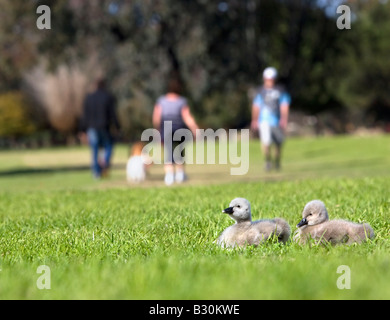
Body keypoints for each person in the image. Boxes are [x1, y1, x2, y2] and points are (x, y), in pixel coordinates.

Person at [152, 77, 199, 186]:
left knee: (169, 151)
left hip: (166, 128)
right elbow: (187, 116)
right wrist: (195, 128)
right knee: (180, 151)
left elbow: (156, 116)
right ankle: (180, 174)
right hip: (179, 128)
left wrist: (156, 129)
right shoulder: (182, 101)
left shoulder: (161, 101)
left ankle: (169, 175)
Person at [251, 67, 291, 171]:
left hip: (277, 121)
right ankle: (267, 161)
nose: (270, 81)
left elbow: (284, 105)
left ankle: (277, 161)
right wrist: (254, 120)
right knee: (266, 142)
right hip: (263, 121)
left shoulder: (280, 90)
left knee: (278, 143)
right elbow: (256, 106)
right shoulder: (260, 91)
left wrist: (284, 119)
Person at [80, 78, 120, 179]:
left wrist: (82, 130)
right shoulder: (108, 97)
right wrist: (117, 126)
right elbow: (112, 114)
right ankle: (105, 162)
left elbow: (85, 115)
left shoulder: (89, 98)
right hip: (104, 127)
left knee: (95, 149)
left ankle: (96, 173)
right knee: (109, 146)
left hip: (92, 128)